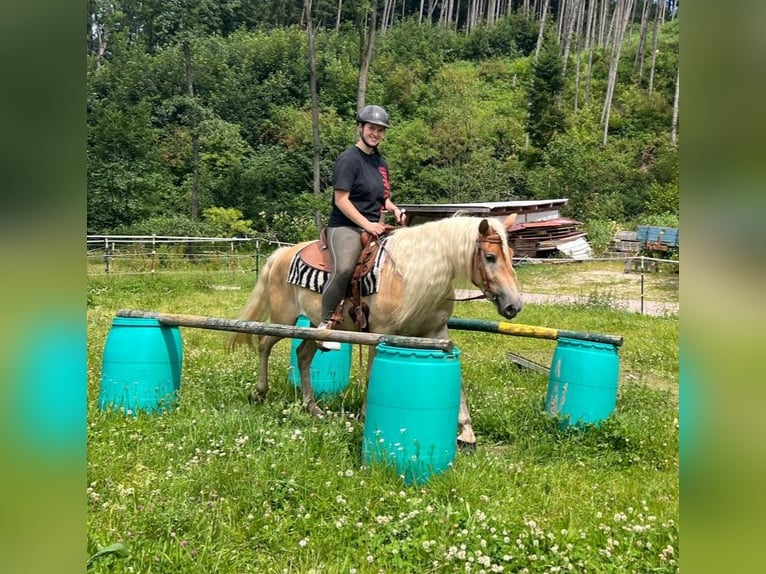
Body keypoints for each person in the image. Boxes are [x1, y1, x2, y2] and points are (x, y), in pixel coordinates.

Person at [316, 104, 407, 350]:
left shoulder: (381, 163)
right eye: (371, 128)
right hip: (346, 227)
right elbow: (341, 200)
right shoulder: (348, 160)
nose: (375, 133)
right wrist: (367, 224)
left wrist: (395, 209)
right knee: (344, 268)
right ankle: (325, 325)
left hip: (374, 226)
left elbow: (382, 197)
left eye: (380, 130)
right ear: (360, 128)